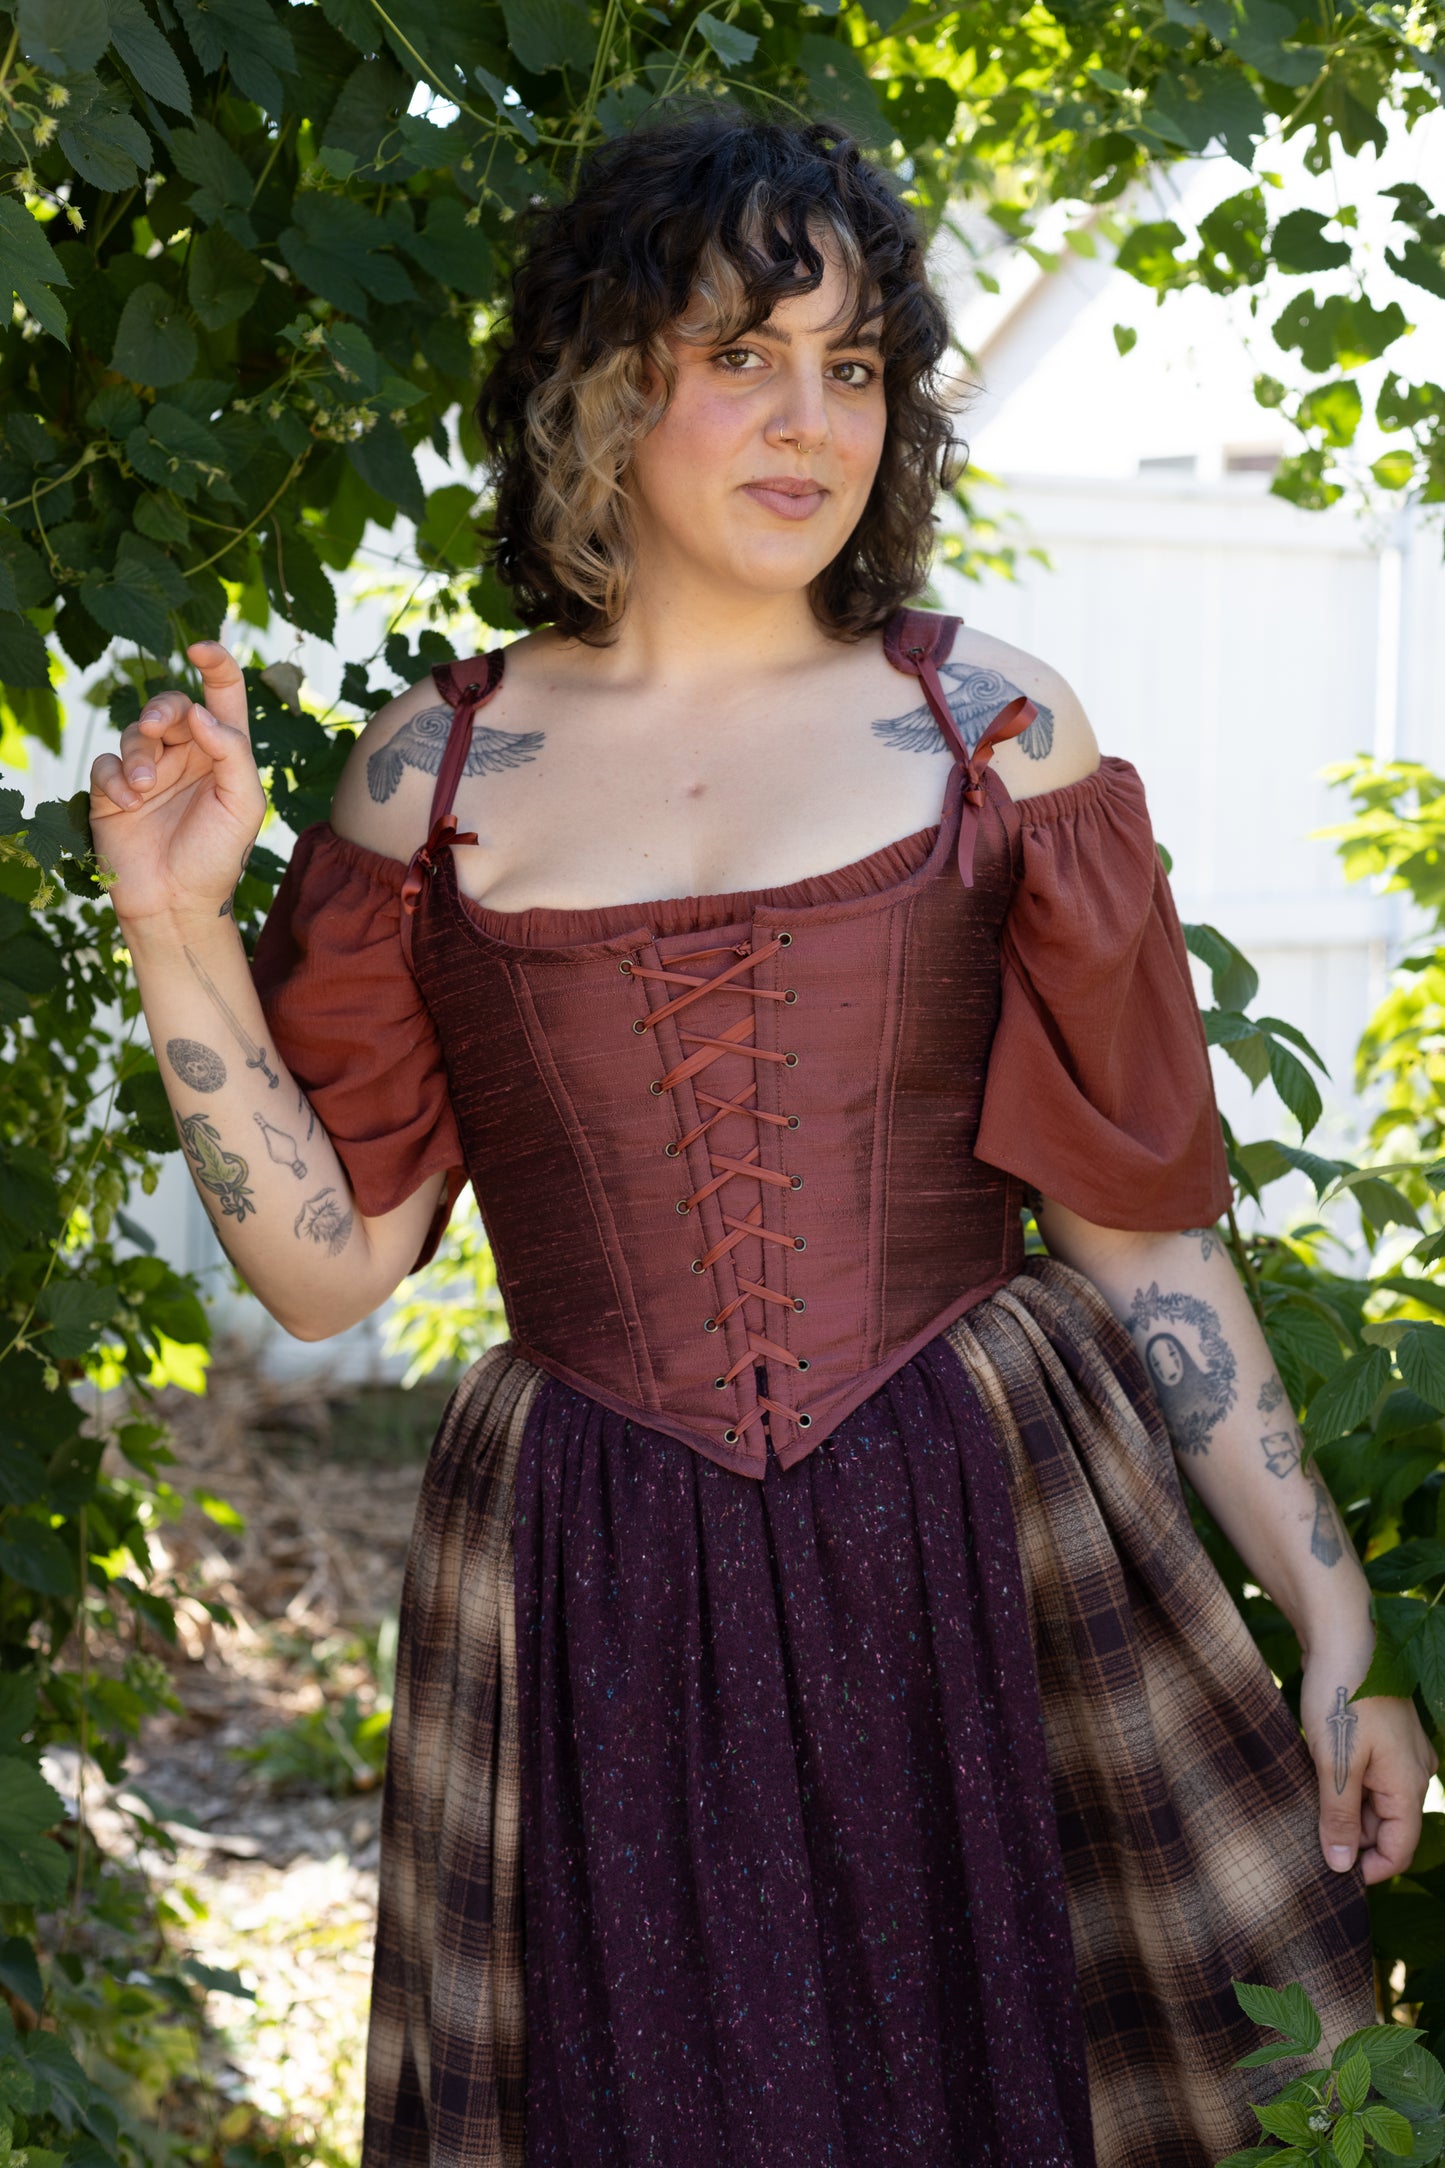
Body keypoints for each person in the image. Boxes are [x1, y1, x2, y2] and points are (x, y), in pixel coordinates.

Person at [90, 110, 1432, 2168]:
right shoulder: (430, 781)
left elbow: (1145, 1246)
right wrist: (180, 927)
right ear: (600, 389)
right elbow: (329, 1262)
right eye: (745, 354)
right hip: (602, 1573)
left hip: (978, 1528)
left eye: (860, 362)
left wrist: (1333, 1625)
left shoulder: (993, 734)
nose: (815, 417)